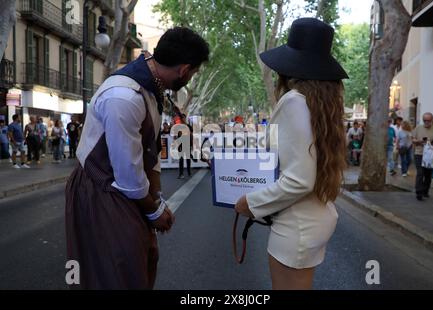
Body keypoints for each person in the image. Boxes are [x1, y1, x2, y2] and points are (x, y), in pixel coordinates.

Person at [65, 26, 209, 289]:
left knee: (144, 258)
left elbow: (149, 155)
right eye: (195, 72)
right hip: (102, 189)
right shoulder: (124, 97)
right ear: (185, 70)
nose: (191, 77)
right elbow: (128, 173)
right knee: (119, 269)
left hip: (122, 187)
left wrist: (157, 200)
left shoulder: (151, 87)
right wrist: (154, 212)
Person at [235, 18, 348, 290]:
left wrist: (250, 202)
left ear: (288, 68)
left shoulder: (294, 102)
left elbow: (299, 179)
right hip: (313, 219)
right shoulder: (322, 106)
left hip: (295, 226)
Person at [412, 112, 433, 201]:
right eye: (424, 120)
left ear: (432, 120)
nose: (426, 122)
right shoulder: (418, 128)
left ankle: (425, 191)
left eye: (428, 120)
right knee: (420, 173)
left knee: (428, 174)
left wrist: (432, 141)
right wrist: (419, 141)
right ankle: (419, 192)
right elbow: (413, 139)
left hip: (431, 155)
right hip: (419, 153)